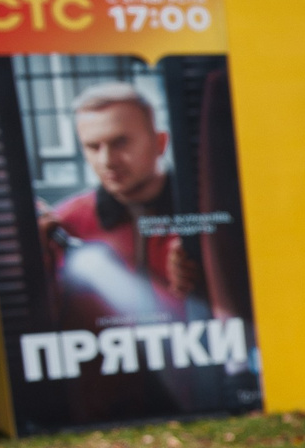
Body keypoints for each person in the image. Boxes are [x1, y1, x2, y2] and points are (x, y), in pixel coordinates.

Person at [46, 82, 205, 314]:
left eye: (120, 142)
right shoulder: (63, 224)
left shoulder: (204, 211)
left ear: (160, 143)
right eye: (93, 147)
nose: (107, 161)